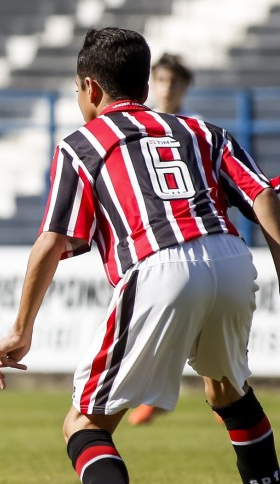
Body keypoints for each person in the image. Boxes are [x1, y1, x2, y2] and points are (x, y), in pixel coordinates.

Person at [0, 27, 280, 484]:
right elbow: (263, 192)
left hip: (159, 266)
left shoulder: (83, 144)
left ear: (90, 87)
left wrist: (20, 329)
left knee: (83, 421)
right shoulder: (201, 130)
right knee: (229, 391)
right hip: (229, 254)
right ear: (145, 83)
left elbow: (52, 240)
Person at [128, 52, 196, 426]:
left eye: (174, 81)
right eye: (162, 80)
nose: (167, 88)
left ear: (185, 87)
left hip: (192, 232)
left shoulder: (197, 128)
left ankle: (227, 394)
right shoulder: (136, 126)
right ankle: (155, 393)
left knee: (204, 320)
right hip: (153, 237)